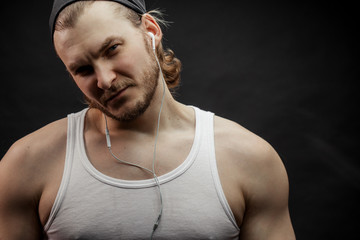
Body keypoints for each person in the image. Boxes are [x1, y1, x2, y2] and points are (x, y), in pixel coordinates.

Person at [0, 0, 296, 239]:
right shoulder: (27, 163)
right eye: (83, 69)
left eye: (112, 49)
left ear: (150, 31)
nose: (104, 80)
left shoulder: (249, 158)